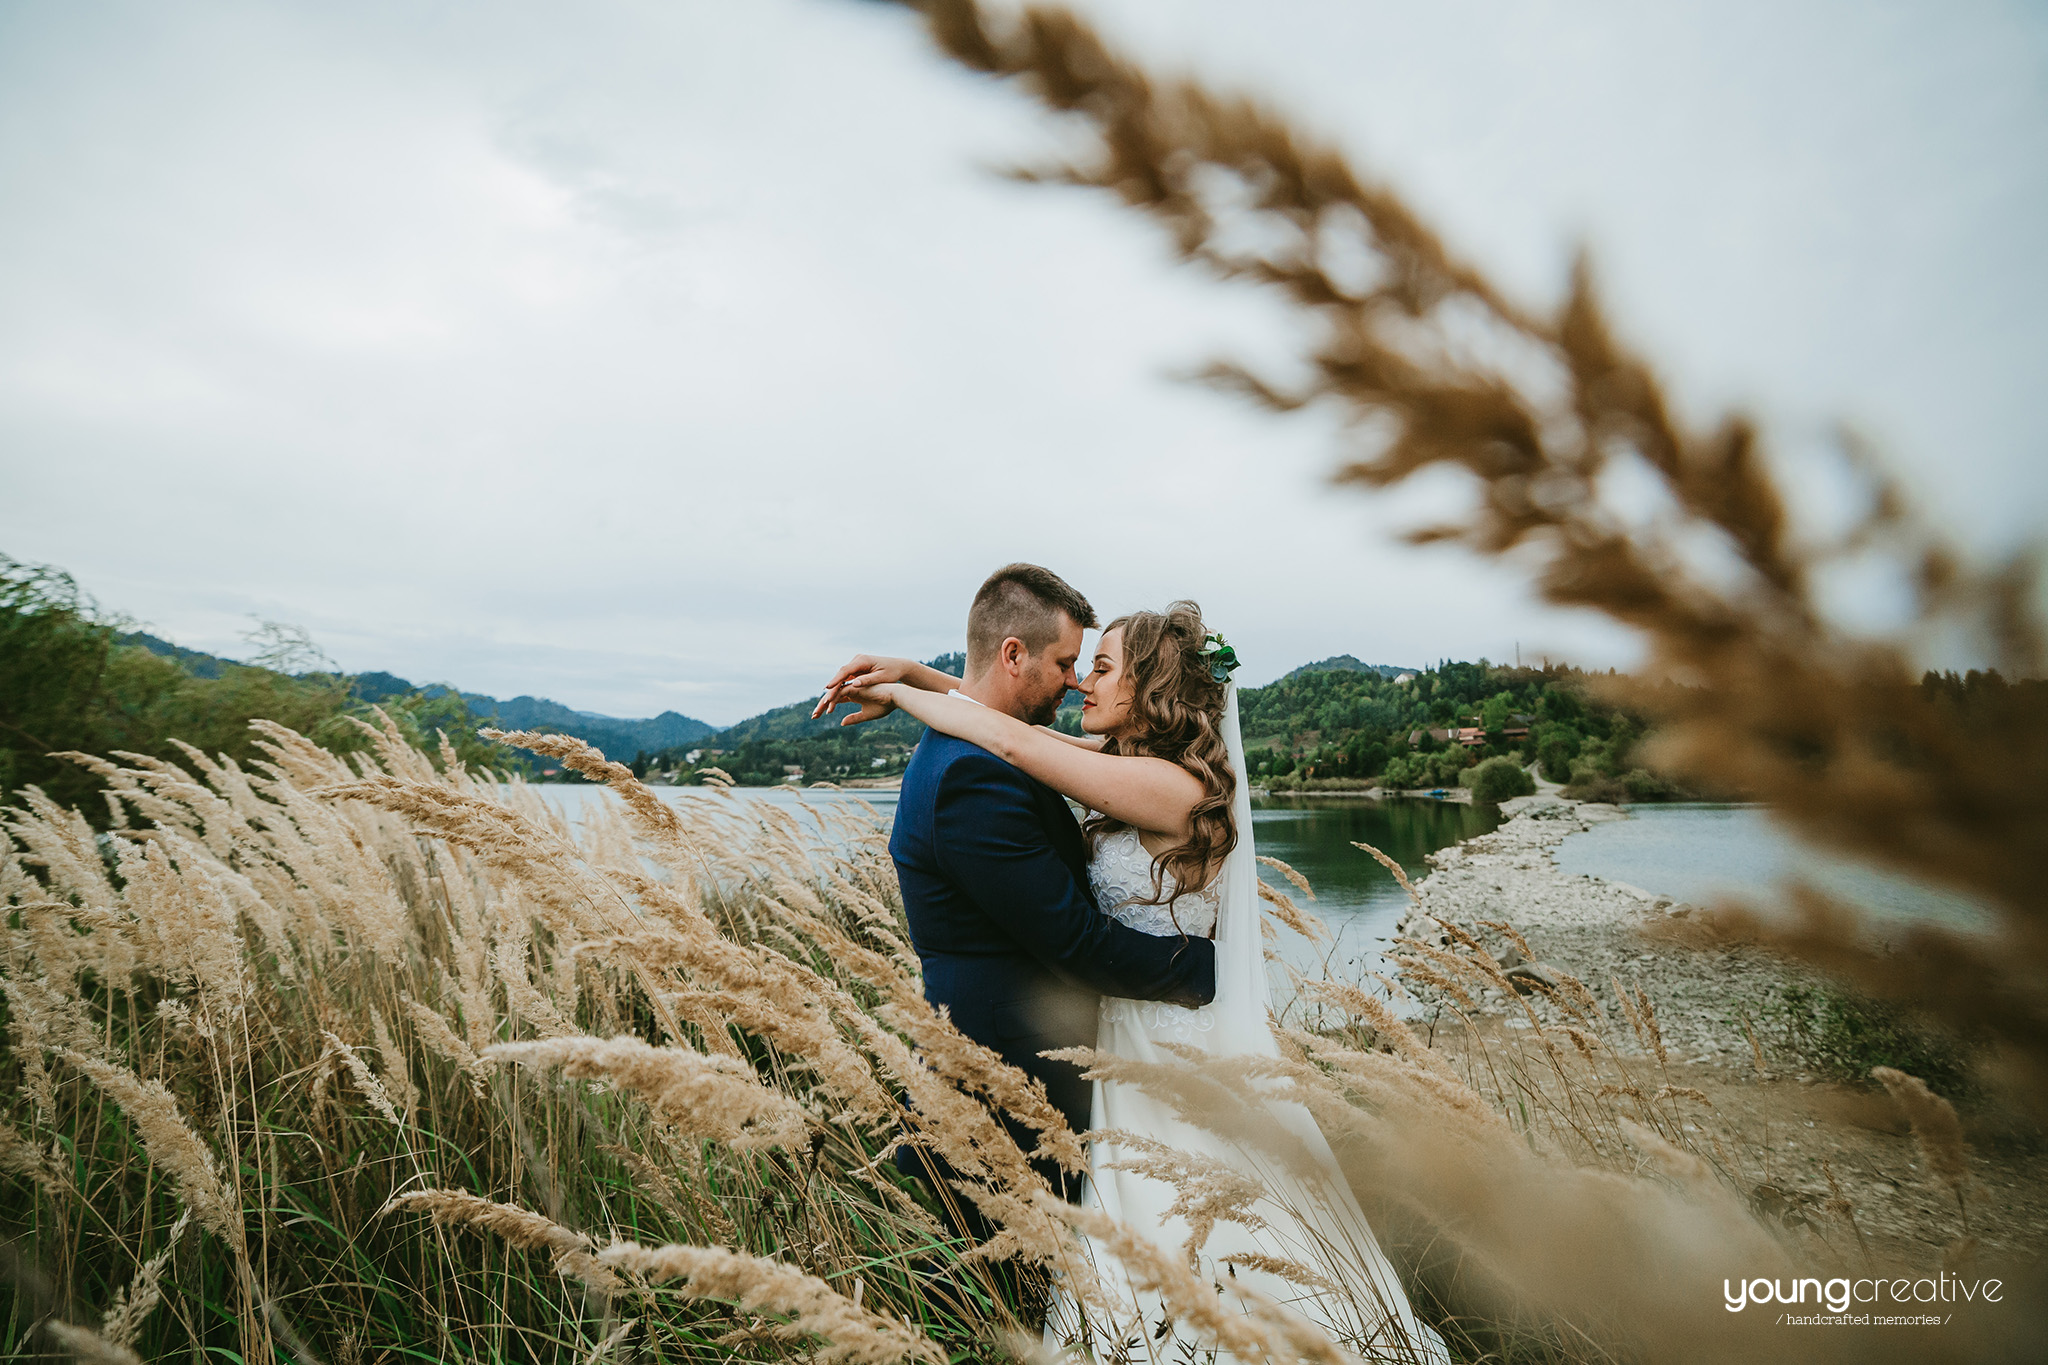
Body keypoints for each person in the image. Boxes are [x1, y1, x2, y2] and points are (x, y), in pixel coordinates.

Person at [816, 594, 1453, 1363]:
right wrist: (920, 674)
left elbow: (1010, 741)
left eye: (1104, 666)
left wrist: (908, 691)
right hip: (1124, 1037)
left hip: (1162, 1037)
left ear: (1149, 687)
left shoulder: (1169, 787)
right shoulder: (1130, 770)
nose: (1086, 681)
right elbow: (1011, 728)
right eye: (1079, 665)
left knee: (1194, 1212)